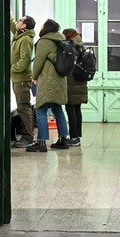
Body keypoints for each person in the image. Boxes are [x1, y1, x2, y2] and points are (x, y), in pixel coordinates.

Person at [27, 18, 70, 152]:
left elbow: (38, 62)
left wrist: (34, 77)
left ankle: (41, 142)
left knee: (40, 110)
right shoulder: (61, 40)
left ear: (47, 28)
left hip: (47, 80)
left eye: (42, 25)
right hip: (60, 80)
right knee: (58, 109)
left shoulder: (45, 42)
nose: (40, 27)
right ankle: (64, 139)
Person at [9, 15, 36, 147]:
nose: (18, 22)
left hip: (21, 79)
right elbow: (12, 24)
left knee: (23, 107)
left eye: (20, 20)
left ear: (24, 25)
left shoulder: (25, 39)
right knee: (22, 107)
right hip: (17, 78)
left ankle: (28, 137)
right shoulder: (19, 35)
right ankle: (26, 135)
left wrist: (11, 69)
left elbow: (25, 61)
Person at [62, 28, 86, 147]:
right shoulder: (81, 45)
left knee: (70, 110)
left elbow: (67, 63)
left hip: (71, 82)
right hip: (80, 81)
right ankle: (77, 136)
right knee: (77, 110)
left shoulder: (70, 46)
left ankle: (73, 137)